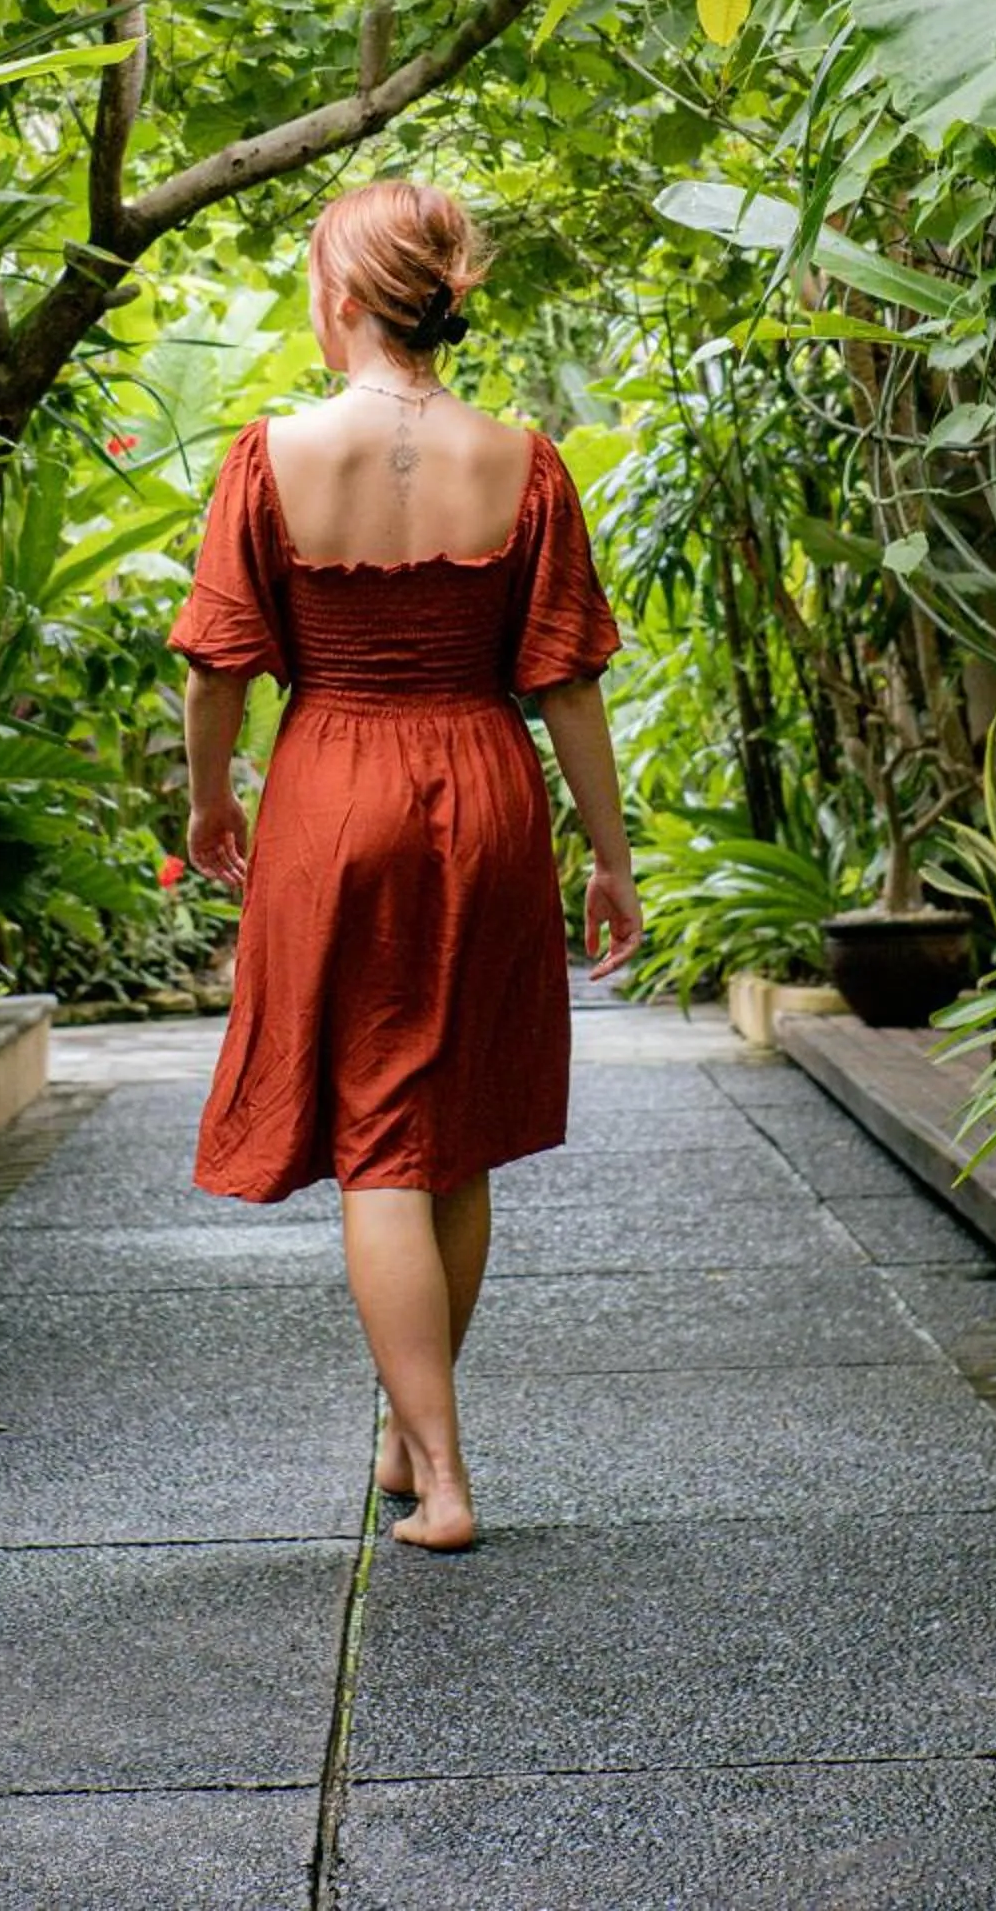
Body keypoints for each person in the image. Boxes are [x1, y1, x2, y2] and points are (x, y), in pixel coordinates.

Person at [168, 178, 641, 1553]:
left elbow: (216, 668)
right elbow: (566, 684)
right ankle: (408, 1423)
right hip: (485, 790)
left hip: (335, 786)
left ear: (348, 294)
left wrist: (211, 804)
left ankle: (440, 1476)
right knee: (457, 1134)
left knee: (382, 1139)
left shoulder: (273, 456)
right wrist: (609, 861)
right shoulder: (523, 459)